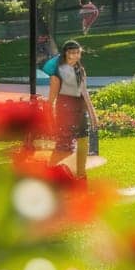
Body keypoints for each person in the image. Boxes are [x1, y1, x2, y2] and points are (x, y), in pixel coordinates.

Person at [47, 40, 98, 180]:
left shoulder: (80, 70)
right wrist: (48, 115)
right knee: (64, 145)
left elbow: (84, 92)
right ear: (65, 54)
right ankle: (52, 174)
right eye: (72, 53)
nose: (75, 55)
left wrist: (93, 114)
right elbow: (51, 97)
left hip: (80, 109)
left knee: (83, 142)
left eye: (77, 52)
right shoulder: (57, 72)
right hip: (64, 110)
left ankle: (81, 175)